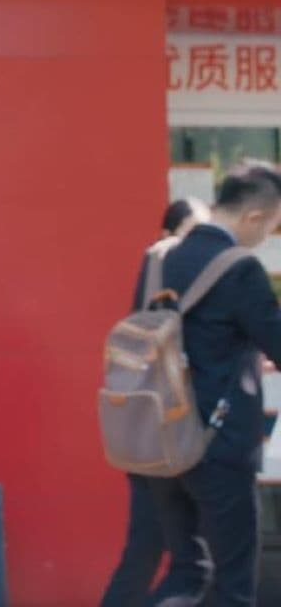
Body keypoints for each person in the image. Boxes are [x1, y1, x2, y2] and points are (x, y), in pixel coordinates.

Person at [144, 161, 281, 606]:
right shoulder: (240, 268)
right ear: (255, 217)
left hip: (161, 443)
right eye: (273, 226)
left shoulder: (160, 259)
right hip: (217, 447)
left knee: (188, 574)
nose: (269, 236)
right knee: (234, 585)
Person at [100, 197, 212, 607]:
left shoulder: (156, 274)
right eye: (193, 231)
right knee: (189, 562)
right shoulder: (167, 262)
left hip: (146, 430)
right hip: (171, 432)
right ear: (169, 234)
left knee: (147, 549)